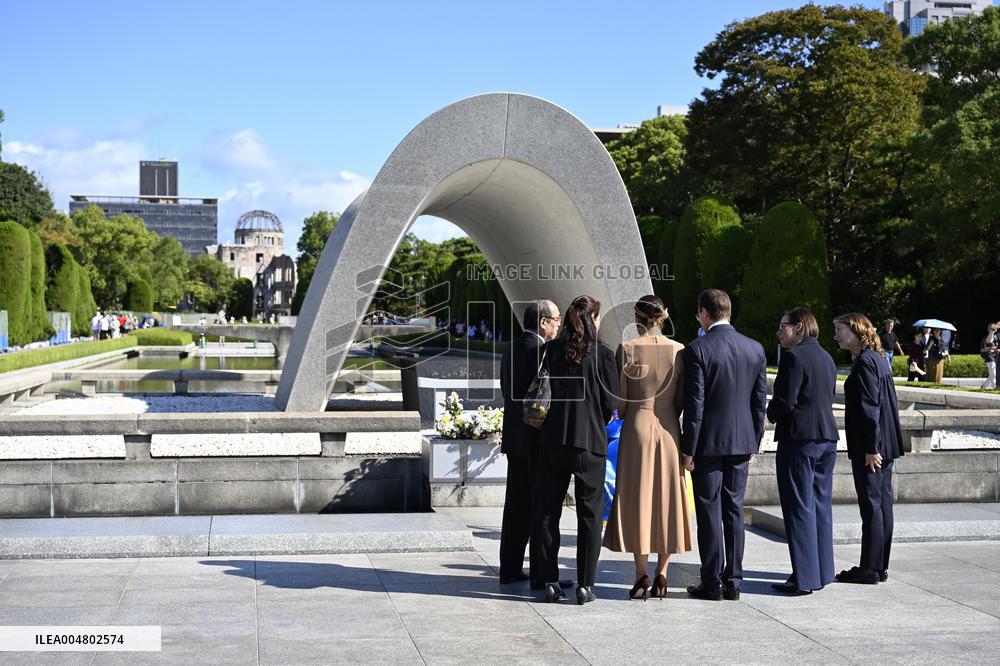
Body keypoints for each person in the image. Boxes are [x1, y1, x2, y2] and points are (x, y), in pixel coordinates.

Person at [603, 295, 691, 600]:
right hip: (668, 428)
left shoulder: (627, 349)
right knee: (668, 500)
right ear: (663, 318)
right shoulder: (679, 350)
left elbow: (621, 401)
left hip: (637, 426)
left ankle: (641, 573)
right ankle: (662, 573)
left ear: (637, 319)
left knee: (637, 499)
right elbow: (681, 399)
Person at [681, 289, 767, 602]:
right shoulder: (755, 348)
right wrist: (754, 441)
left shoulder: (697, 349)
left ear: (705, 312)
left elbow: (695, 405)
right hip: (742, 441)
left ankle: (712, 580)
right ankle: (734, 580)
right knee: (734, 510)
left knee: (708, 509)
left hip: (707, 443)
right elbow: (759, 402)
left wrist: (687, 447)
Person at [533, 295, 618, 605]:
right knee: (589, 515)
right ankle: (585, 584)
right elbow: (611, 406)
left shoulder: (550, 351)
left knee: (547, 513)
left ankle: (550, 581)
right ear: (592, 320)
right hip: (590, 442)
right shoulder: (604, 355)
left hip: (552, 441)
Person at [766, 307, 838, 595]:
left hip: (799, 439)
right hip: (827, 438)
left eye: (782, 326)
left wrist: (769, 412)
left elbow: (786, 401)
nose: (779, 331)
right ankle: (822, 572)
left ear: (798, 327)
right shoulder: (827, 357)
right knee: (820, 506)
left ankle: (804, 578)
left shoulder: (794, 357)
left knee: (798, 507)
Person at [833, 313, 904, 584]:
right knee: (883, 504)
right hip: (886, 442)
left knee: (872, 506)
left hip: (872, 446)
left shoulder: (865, 362)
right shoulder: (877, 358)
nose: (837, 335)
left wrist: (871, 448)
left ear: (857, 331)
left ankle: (870, 568)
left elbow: (869, 409)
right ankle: (879, 566)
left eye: (841, 330)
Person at [498, 299, 564, 589]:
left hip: (514, 438)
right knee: (540, 507)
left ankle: (509, 568)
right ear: (542, 322)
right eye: (556, 319)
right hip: (537, 439)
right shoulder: (541, 351)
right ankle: (541, 574)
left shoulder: (510, 348)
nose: (559, 324)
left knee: (515, 506)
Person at [980, 323, 998, 390]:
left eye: (994, 328)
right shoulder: (985, 338)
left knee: (993, 374)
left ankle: (994, 387)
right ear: (989, 329)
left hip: (995, 357)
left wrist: (996, 349)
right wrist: (991, 349)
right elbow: (982, 349)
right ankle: (983, 387)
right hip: (989, 357)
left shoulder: (996, 337)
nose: (994, 329)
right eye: (992, 328)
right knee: (993, 374)